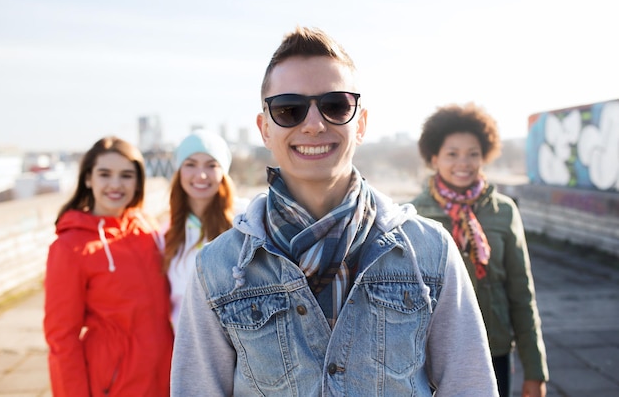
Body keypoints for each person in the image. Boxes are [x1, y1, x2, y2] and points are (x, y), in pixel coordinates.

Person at [171, 26, 498, 396]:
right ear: (265, 129)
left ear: (360, 123)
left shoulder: (430, 251)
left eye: (335, 105)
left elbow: (470, 387)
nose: (314, 124)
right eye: (289, 109)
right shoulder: (218, 268)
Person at [410, 103, 549, 397]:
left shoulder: (503, 212)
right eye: (452, 154)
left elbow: (521, 294)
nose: (464, 162)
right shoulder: (413, 216)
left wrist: (535, 371)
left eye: (473, 153)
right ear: (434, 158)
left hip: (494, 349)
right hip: (430, 354)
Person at [43, 136, 173, 397]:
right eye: (105, 174)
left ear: (137, 182)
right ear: (88, 179)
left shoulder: (146, 228)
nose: (116, 184)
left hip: (168, 377)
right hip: (115, 384)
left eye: (126, 175)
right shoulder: (69, 247)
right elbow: (61, 339)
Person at [163, 129, 248, 331]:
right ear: (179, 171)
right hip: (188, 348)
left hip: (240, 345)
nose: (201, 175)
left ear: (223, 173)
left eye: (211, 165)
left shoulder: (245, 220)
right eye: (190, 164)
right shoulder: (167, 233)